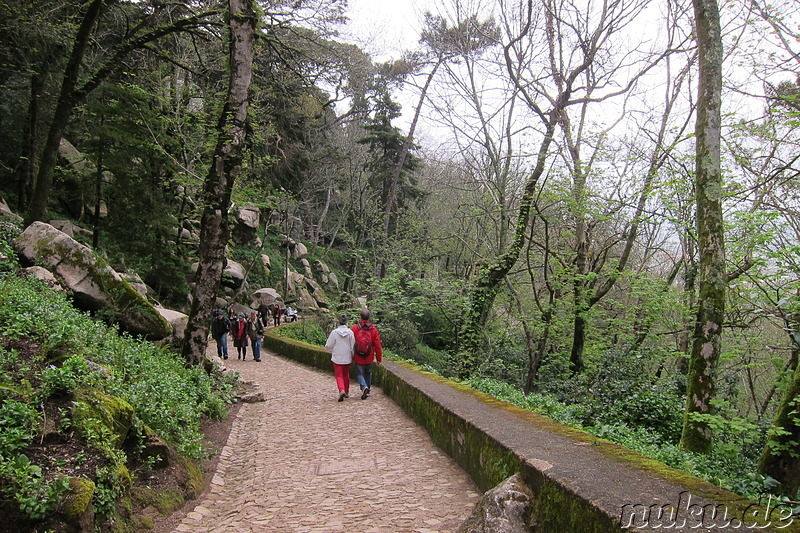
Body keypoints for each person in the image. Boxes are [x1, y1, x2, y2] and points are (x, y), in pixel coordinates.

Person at [352, 308, 383, 400]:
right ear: (369, 317)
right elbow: (377, 345)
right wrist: (378, 358)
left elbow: (350, 343)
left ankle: (363, 386)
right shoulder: (373, 330)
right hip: (369, 356)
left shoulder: (355, 328)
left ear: (360, 317)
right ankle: (367, 389)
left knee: (359, 374)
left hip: (358, 357)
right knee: (368, 373)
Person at [325, 314, 355, 402]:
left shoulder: (334, 332)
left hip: (337, 356)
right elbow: (352, 345)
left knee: (339, 375)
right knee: (346, 374)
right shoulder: (350, 332)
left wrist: (329, 350)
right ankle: (346, 391)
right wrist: (352, 355)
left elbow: (328, 345)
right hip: (347, 357)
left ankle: (341, 390)